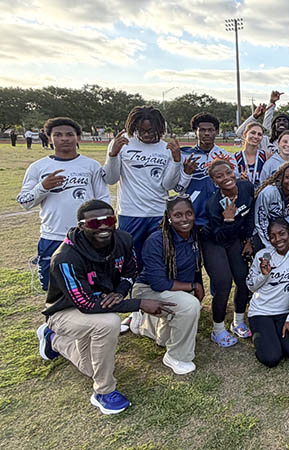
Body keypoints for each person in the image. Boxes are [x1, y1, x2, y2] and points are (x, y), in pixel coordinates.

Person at [36, 200, 175, 414]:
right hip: (66, 311)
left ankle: (54, 340)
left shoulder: (123, 239)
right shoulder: (65, 258)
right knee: (109, 323)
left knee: (90, 368)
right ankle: (103, 392)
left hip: (100, 304)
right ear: (81, 226)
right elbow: (85, 304)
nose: (103, 227)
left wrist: (119, 292)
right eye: (94, 223)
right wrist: (138, 304)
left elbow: (130, 271)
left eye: (109, 220)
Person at [17, 117, 111, 290]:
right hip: (53, 236)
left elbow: (102, 199)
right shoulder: (38, 167)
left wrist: (100, 227)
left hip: (86, 237)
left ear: (78, 137)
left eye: (69, 134)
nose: (64, 138)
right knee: (53, 288)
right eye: (58, 135)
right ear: (49, 138)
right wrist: (43, 187)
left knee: (91, 287)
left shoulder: (91, 165)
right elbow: (25, 202)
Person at [127, 196, 203, 375]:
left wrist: (196, 284)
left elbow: (195, 265)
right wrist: (193, 286)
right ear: (169, 217)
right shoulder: (157, 240)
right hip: (147, 289)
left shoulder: (195, 234)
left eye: (188, 213)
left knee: (165, 337)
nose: (184, 219)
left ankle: (143, 325)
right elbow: (158, 283)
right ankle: (176, 356)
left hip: (173, 288)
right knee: (189, 306)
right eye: (178, 215)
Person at [103, 106, 182, 265]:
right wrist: (113, 154)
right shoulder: (122, 144)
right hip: (130, 213)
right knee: (130, 260)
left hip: (158, 213)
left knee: (158, 258)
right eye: (141, 130)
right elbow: (111, 179)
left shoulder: (165, 148)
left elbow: (168, 185)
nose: (146, 134)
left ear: (160, 128)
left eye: (150, 131)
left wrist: (176, 161)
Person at [247, 219, 289, 367]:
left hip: (285, 313)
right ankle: (264, 336)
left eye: (282, 233)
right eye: (272, 236)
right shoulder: (263, 255)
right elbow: (250, 287)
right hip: (261, 311)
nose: (277, 239)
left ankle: (274, 336)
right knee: (271, 358)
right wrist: (263, 275)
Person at [204, 158, 256, 347]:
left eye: (228, 172)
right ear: (214, 181)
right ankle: (217, 330)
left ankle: (238, 321)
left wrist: (248, 239)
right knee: (224, 282)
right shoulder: (213, 204)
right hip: (215, 242)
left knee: (243, 279)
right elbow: (219, 236)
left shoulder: (246, 187)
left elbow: (250, 214)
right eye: (219, 176)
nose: (226, 178)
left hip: (234, 238)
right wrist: (228, 220)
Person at [174, 113, 237, 228]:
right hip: (193, 213)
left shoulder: (227, 156)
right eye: (202, 130)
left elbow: (234, 187)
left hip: (219, 212)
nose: (207, 133)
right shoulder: (185, 156)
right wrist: (187, 174)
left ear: (217, 132)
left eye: (211, 130)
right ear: (195, 131)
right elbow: (178, 189)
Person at [255, 163, 289, 248]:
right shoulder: (268, 193)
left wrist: (286, 242)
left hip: (284, 237)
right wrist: (269, 244)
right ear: (280, 178)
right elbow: (260, 221)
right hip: (264, 235)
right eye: (288, 177)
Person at [234, 122, 270, 187]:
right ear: (245, 134)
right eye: (253, 133)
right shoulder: (235, 157)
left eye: (259, 134)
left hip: (261, 192)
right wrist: (239, 180)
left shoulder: (267, 156)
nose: (256, 136)